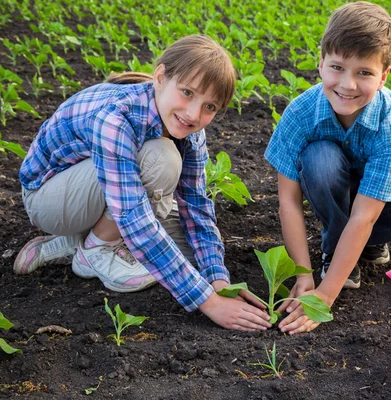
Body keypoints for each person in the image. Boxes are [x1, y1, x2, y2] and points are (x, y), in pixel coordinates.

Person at [14, 35, 271, 332]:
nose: (194, 114)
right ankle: (95, 251)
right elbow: (134, 217)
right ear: (161, 77)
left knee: (185, 248)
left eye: (209, 107)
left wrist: (218, 280)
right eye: (187, 92)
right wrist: (210, 304)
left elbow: (196, 207)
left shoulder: (189, 127)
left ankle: (75, 241)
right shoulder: (116, 117)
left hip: (89, 192)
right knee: (161, 159)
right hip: (48, 199)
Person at [264, 2, 391, 335]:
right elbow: (288, 202)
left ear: (384, 76)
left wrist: (325, 294)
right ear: (320, 64)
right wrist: (304, 276)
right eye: (337, 67)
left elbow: (365, 215)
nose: (348, 84)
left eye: (364, 72)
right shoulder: (299, 114)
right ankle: (340, 250)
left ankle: (353, 246)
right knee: (320, 159)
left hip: (371, 195)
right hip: (330, 180)